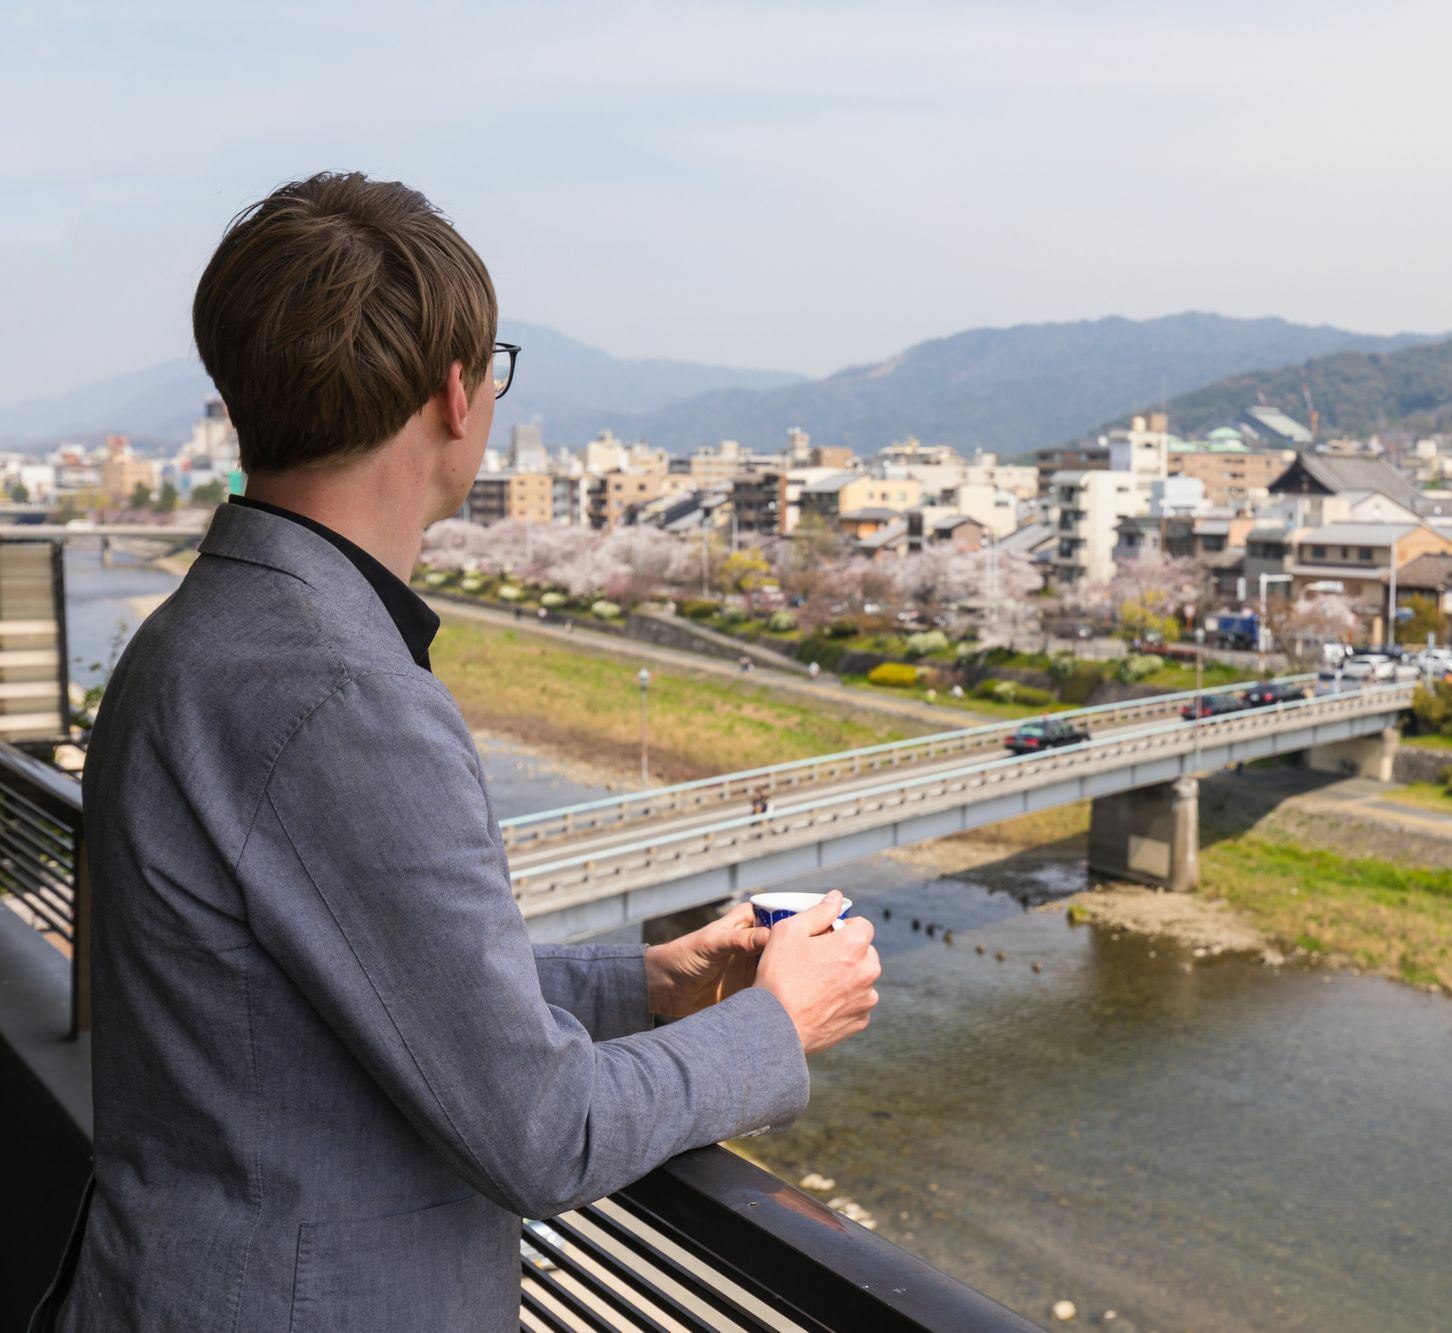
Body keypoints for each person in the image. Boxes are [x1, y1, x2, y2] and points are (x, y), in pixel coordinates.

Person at [33, 173, 880, 1333]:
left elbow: (343, 986)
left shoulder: (194, 635)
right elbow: (542, 1130)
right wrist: (777, 1023)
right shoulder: (341, 691)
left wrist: (649, 979)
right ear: (454, 394)